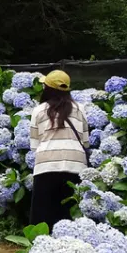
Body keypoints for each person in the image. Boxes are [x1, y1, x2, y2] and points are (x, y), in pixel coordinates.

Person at [29, 70, 90, 227]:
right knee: (69, 217)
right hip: (75, 165)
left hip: (46, 166)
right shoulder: (80, 109)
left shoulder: (38, 110)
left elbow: (34, 145)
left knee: (43, 217)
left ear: (47, 89)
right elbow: (85, 141)